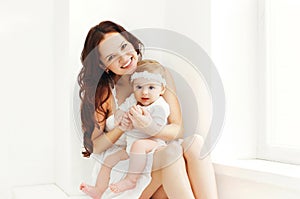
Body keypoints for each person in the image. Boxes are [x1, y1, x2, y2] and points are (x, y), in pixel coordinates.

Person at [78, 20, 219, 199]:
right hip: (126, 169)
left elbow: (177, 129)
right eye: (111, 57)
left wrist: (151, 127)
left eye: (123, 46)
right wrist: (121, 127)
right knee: (171, 154)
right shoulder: (103, 92)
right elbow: (95, 146)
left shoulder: (155, 75)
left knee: (195, 143)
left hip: (156, 157)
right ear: (103, 66)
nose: (124, 57)